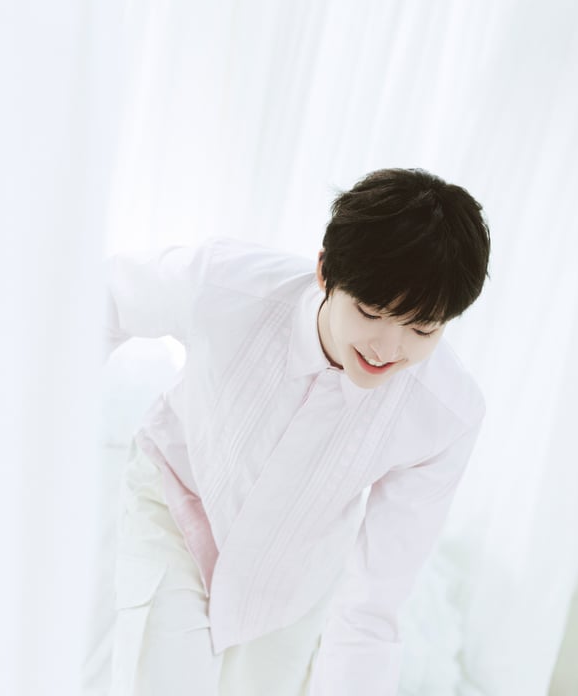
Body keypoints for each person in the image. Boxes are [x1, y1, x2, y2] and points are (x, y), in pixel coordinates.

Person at [103, 167, 491, 696]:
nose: (387, 349)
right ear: (326, 272)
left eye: (422, 329)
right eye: (370, 312)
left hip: (293, 582)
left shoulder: (446, 415)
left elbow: (372, 604)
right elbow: (102, 300)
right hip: (176, 503)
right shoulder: (226, 284)